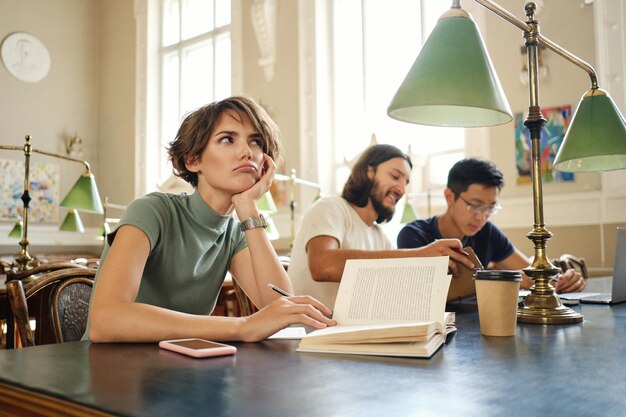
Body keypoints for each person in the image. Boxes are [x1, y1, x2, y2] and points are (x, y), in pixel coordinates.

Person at [86, 96, 335, 343]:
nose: (247, 152)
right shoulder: (151, 211)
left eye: (256, 142)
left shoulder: (236, 231)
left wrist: (248, 207)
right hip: (111, 369)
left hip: (178, 369)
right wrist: (241, 326)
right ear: (193, 160)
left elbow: (279, 307)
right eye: (227, 139)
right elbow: (106, 319)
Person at [288, 144, 474, 308]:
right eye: (395, 176)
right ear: (370, 171)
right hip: (308, 334)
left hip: (351, 334)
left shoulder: (381, 238)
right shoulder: (330, 207)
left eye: (405, 182)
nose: (401, 189)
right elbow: (323, 266)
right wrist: (420, 254)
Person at [397, 158, 585, 293]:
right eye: (475, 205)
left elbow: (530, 273)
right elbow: (427, 292)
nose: (482, 217)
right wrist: (504, 278)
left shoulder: (486, 232)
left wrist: (562, 281)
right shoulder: (413, 235)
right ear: (449, 197)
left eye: (490, 208)